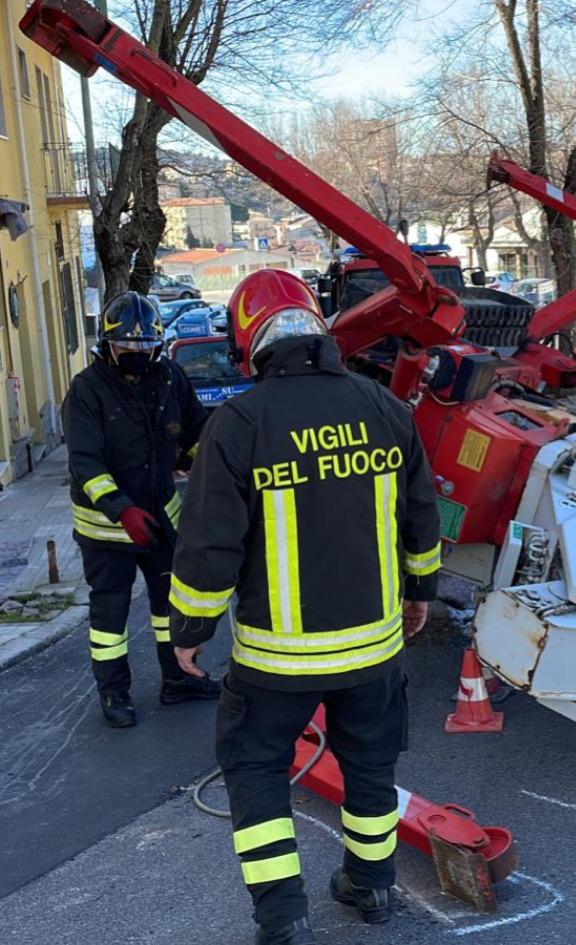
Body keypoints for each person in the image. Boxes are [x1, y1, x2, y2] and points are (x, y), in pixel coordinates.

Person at [168, 270, 441, 945]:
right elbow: (422, 517)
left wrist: (189, 631)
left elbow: (208, 545)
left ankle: (282, 915)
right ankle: (370, 886)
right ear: (320, 329)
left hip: (275, 660)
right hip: (374, 650)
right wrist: (421, 594)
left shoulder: (237, 424)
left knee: (256, 766)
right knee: (370, 764)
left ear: (247, 344)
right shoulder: (384, 408)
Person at [62, 291, 217, 728]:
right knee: (109, 617)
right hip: (106, 530)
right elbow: (86, 464)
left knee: (170, 607)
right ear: (107, 345)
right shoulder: (87, 391)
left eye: (144, 346)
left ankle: (178, 680)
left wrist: (213, 467)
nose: (136, 353)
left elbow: (195, 432)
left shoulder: (168, 376)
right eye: (126, 346)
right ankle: (114, 693)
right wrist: (122, 510)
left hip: (161, 519)